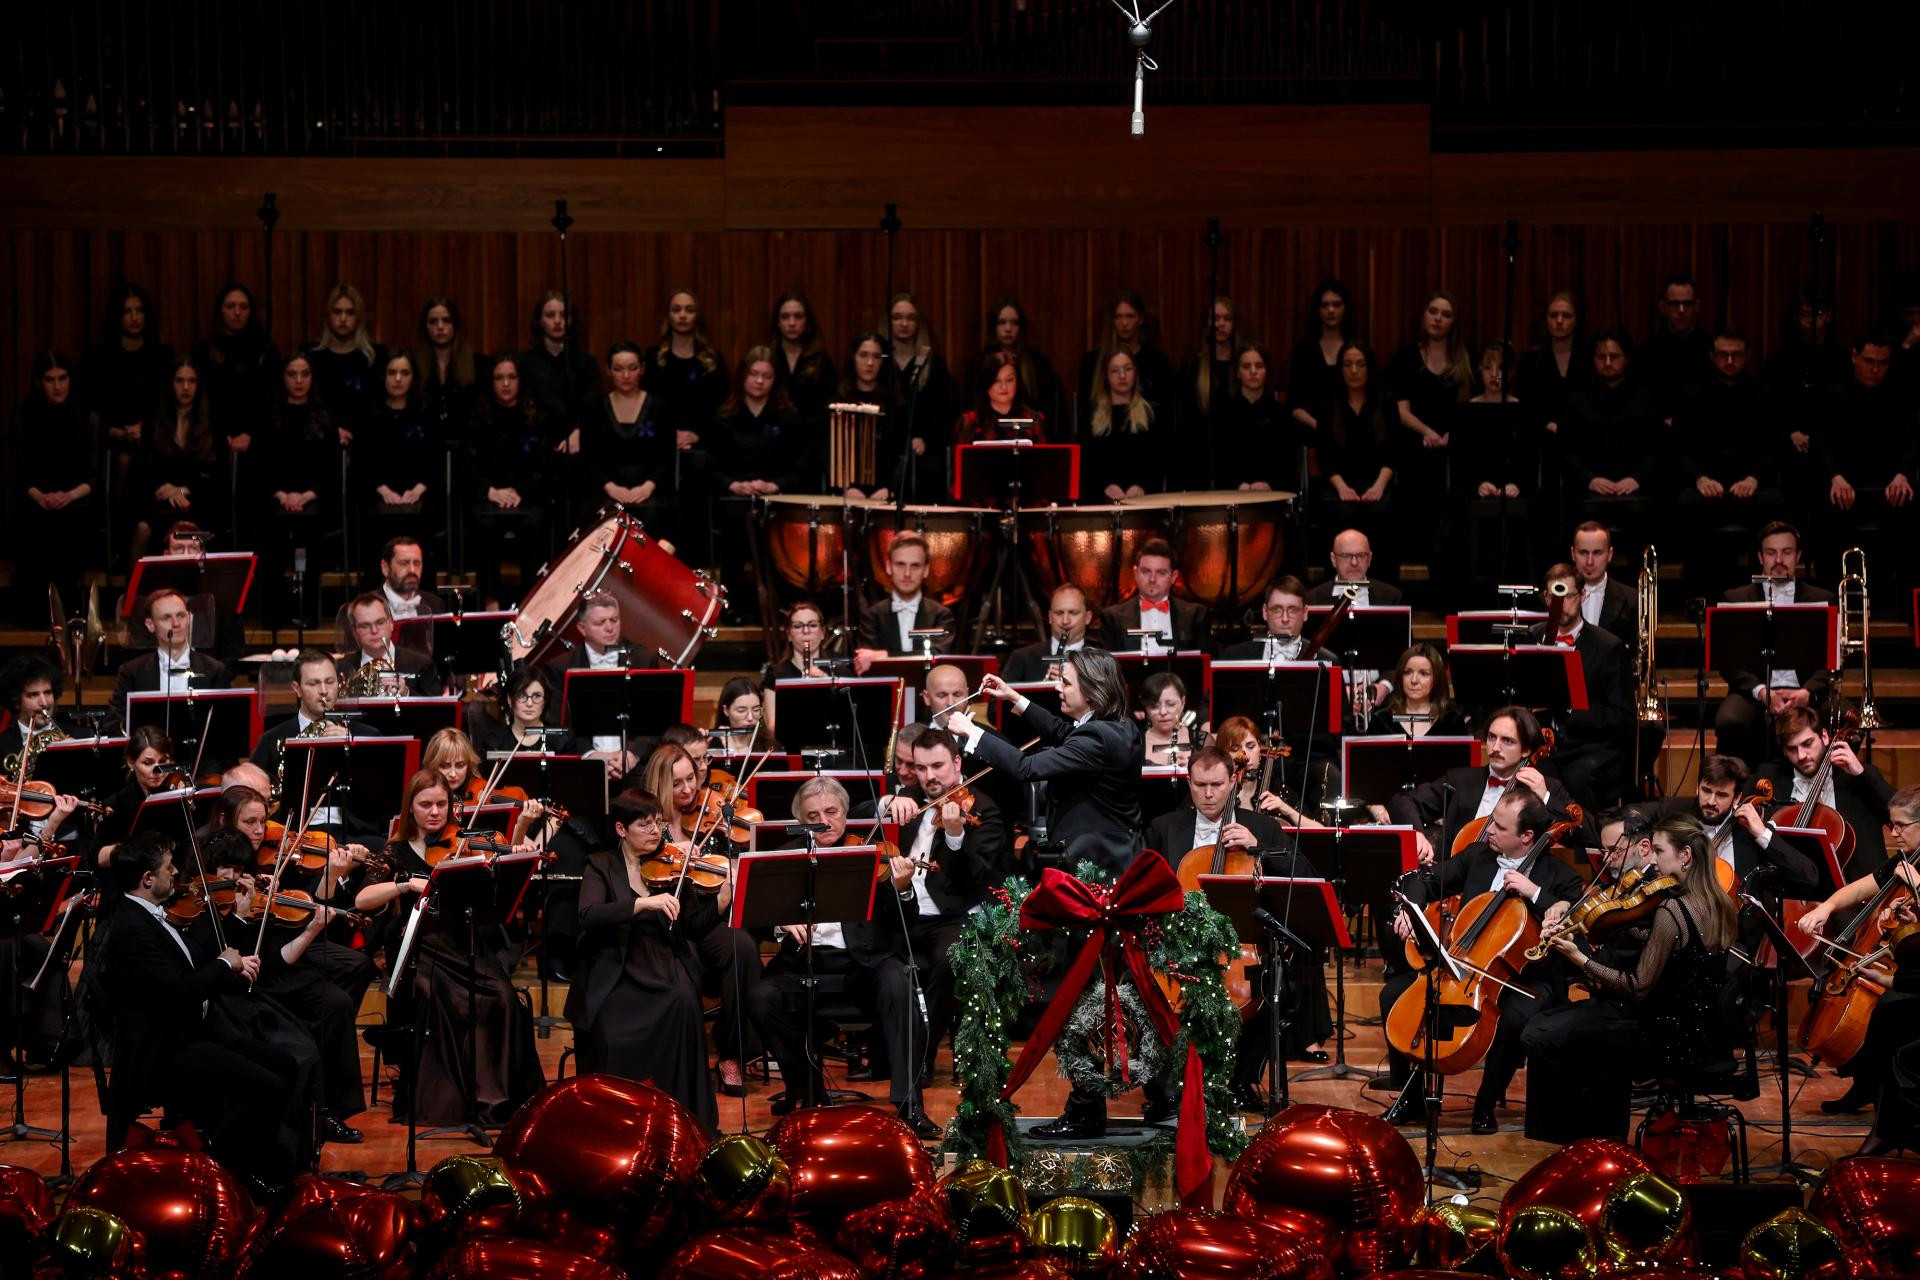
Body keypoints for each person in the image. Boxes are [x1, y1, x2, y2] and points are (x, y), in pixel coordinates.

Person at [91, 833, 299, 1192]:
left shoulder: (153, 915)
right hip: (164, 1049)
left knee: (285, 1064)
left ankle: (247, 1157)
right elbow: (177, 993)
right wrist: (224, 964)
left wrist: (233, 964)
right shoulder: (131, 928)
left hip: (193, 1031)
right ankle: (227, 1169)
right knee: (267, 1087)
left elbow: (194, 962)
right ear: (147, 879)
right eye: (169, 868)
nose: (177, 873)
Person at [1382, 788, 1581, 1134]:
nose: (1488, 830)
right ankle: (1412, 1098)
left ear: (1527, 836)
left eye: (1499, 827)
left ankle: (1485, 1103)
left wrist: (1533, 892)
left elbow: (1575, 918)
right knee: (1392, 996)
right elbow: (1425, 880)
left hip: (1525, 977)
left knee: (1514, 1020)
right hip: (1467, 965)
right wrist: (1410, 911)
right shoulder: (1479, 856)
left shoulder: (1560, 876)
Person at [353, 772, 545, 1126]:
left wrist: (517, 840)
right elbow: (363, 898)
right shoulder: (396, 850)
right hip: (421, 949)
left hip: (464, 942)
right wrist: (405, 885)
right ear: (410, 808)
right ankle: (450, 1102)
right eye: (425, 804)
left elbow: (501, 870)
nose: (434, 812)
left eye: (441, 804)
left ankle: (494, 1100)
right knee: (444, 1001)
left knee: (503, 999)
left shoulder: (464, 841)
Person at [1533, 815, 1739, 1141]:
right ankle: (1600, 1137)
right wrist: (1609, 922)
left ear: (1685, 856)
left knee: (1547, 1035)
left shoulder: (1672, 911)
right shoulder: (1719, 902)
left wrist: (1579, 958)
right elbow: (1673, 945)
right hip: (1706, 1035)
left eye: (1659, 851)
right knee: (1566, 1028)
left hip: (1666, 1040)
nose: (1653, 860)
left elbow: (1637, 986)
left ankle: (1578, 1141)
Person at [1147, 745, 1331, 1106]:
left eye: (1217, 785)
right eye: (1200, 785)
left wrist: (1258, 847)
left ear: (1233, 781)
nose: (1208, 794)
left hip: (1243, 942)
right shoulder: (1164, 827)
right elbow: (1148, 887)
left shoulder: (1261, 826)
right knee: (1148, 985)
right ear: (1189, 782)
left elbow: (1306, 875)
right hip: (1180, 944)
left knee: (1270, 985)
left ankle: (1242, 1080)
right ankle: (1168, 1087)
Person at [747, 777, 932, 1133]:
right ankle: (807, 1090)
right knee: (760, 997)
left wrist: (903, 888)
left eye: (831, 812)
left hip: (864, 965)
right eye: (813, 815)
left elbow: (904, 923)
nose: (824, 821)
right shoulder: (784, 858)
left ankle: (910, 1105)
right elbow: (752, 920)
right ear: (801, 821)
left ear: (846, 814)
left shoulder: (871, 854)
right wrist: (780, 922)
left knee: (898, 982)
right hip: (804, 964)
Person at [198, 828, 368, 1144]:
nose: (232, 877)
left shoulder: (252, 899)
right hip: (232, 998)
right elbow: (219, 960)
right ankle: (291, 1130)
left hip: (264, 980)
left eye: (238, 869)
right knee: (300, 1044)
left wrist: (310, 928)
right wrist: (239, 916)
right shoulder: (202, 908)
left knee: (332, 1007)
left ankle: (322, 1116)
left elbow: (272, 960)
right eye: (225, 868)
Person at [569, 788, 723, 1127]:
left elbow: (694, 927)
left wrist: (722, 898)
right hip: (616, 967)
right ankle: (616, 1122)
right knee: (610, 1031)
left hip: (664, 962)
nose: (655, 832)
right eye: (645, 825)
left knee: (683, 1001)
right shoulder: (601, 864)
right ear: (621, 829)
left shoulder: (673, 864)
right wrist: (641, 904)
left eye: (658, 823)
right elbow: (588, 915)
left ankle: (680, 1117)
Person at [876, 727, 1007, 1086]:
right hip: (904, 910)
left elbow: (973, 880)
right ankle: (886, 1053)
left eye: (937, 766)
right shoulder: (909, 797)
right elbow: (855, 812)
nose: (929, 777)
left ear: (957, 763)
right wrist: (885, 803)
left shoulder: (984, 809)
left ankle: (922, 1056)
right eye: (921, 768)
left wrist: (954, 836)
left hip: (952, 915)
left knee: (950, 960)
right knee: (874, 957)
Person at [1795, 783, 1920, 1141]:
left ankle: (1887, 1119)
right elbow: (1861, 888)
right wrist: (1826, 907)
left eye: (1901, 825)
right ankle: (1868, 1090)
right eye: (1891, 825)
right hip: (1906, 966)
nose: (1893, 834)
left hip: (1914, 974)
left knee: (1883, 1011)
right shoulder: (1905, 860)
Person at [948, 653, 1144, 876]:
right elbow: (1061, 731)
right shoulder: (1118, 726)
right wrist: (1013, 697)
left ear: (1091, 691)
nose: (1058, 688)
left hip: (1100, 858)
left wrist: (972, 731)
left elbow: (1026, 767)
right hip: (1114, 850)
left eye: (1066, 683)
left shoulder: (1096, 737)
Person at [1710, 522, 1835, 770]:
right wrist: (1762, 692)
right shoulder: (1735, 598)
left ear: (1798, 556)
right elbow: (1730, 662)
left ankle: (1831, 785)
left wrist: (1807, 692)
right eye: (1771, 553)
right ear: (1760, 557)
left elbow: (1832, 660)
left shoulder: (1823, 598)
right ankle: (1741, 786)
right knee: (1730, 720)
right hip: (1755, 691)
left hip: (1806, 689)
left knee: (1846, 717)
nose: (1778, 560)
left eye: (1786, 552)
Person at [1671, 328, 1785, 595]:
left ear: (1747, 355)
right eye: (1723, 355)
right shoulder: (1691, 395)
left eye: (1736, 355)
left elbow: (1775, 447)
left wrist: (1754, 478)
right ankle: (1700, 595)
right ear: (1712, 356)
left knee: (1775, 502)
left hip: (1751, 486)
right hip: (1707, 486)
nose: (1730, 361)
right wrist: (1700, 478)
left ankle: (1762, 593)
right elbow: (1679, 449)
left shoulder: (1764, 394)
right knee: (1686, 504)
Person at [1522, 562, 1632, 809]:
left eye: (1568, 596)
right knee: (1527, 775)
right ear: (1545, 597)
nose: (1560, 604)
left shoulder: (1608, 647)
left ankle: (1585, 832)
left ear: (1582, 595)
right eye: (1554, 597)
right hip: (1546, 747)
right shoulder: (1533, 636)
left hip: (1592, 748)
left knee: (1575, 778)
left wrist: (1567, 706)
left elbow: (1622, 719)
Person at [1631, 753, 1820, 897]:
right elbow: (1629, 816)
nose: (1711, 801)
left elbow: (1809, 878)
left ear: (1737, 798)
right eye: (1706, 790)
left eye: (1721, 795)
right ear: (1697, 787)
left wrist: (1762, 833)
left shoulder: (1750, 829)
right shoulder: (1674, 810)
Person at [1816, 333, 1916, 595]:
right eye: (1869, 361)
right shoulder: (1832, 392)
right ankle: (1832, 595)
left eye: (1882, 363)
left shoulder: (1900, 393)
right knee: (1824, 511)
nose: (1875, 369)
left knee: (1909, 511)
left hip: (1888, 486)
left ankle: (1898, 597)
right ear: (1854, 356)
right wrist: (1835, 476)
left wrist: (1902, 474)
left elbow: (1912, 441)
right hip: (1843, 484)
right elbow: (1821, 442)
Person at [1756, 707, 1893, 880]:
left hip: (1858, 886)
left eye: (1807, 744)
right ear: (1783, 751)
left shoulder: (1857, 778)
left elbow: (1901, 814)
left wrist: (1861, 773)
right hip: (1792, 886)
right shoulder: (1769, 778)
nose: (1801, 755)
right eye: (1792, 749)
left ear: (1825, 736)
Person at [13, 351, 98, 623]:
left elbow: (94, 476)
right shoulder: (24, 418)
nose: (58, 386)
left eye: (63, 378)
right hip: (37, 498)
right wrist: (40, 496)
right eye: (50, 380)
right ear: (39, 382)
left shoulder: (86, 418)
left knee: (70, 522)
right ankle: (35, 613)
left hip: (77, 498)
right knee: (36, 521)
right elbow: (19, 472)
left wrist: (68, 496)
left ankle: (69, 611)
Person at [469, 353, 560, 605]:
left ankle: (533, 601)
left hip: (527, 497)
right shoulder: (477, 418)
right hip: (489, 497)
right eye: (499, 378)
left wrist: (520, 492)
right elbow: (470, 466)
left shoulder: (537, 418)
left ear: (521, 380)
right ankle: (491, 601)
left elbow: (543, 468)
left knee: (535, 521)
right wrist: (490, 492)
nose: (506, 383)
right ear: (491, 382)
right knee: (483, 522)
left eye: (511, 377)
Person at [1561, 330, 1659, 538]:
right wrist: (1590, 479)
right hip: (1589, 486)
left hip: (1635, 487)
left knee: (1646, 512)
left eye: (1613, 357)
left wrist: (1636, 478)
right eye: (1601, 357)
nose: (1607, 362)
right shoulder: (1576, 402)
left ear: (1627, 359)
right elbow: (1565, 451)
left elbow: (1658, 450)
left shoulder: (1646, 401)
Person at [130, 355, 224, 561]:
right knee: (142, 527)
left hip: (200, 500)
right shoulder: (154, 421)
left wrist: (183, 490)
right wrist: (165, 490)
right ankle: (138, 582)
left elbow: (218, 476)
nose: (186, 387)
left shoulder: (213, 422)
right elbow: (142, 470)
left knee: (208, 525)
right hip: (161, 500)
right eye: (179, 380)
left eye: (192, 381)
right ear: (170, 384)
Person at [1315, 344, 1401, 566]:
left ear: (1369, 368)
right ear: (1340, 369)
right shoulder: (1328, 405)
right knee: (1340, 511)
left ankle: (1382, 582)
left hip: (1377, 481)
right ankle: (1339, 581)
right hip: (1339, 482)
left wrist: (1379, 486)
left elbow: (1393, 452)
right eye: (1348, 364)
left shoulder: (1386, 404)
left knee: (1381, 510)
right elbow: (1324, 454)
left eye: (1360, 364)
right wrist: (1341, 487)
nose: (1354, 371)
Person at [582, 341, 672, 535]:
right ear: (608, 370)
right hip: (607, 488)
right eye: (618, 369)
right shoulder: (594, 408)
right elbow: (588, 456)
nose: (626, 376)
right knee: (605, 517)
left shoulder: (660, 407)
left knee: (654, 516)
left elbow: (668, 455)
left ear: (642, 369)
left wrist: (648, 487)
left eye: (632, 368)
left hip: (650, 488)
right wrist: (610, 487)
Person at [105, 587, 231, 726]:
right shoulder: (131, 673)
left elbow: (226, 724)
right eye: (166, 618)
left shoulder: (216, 671)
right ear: (150, 625)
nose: (176, 624)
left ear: (189, 618)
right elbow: (113, 725)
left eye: (181, 616)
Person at [358, 350, 439, 548]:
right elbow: (362, 460)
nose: (397, 379)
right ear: (383, 376)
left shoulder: (426, 412)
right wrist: (383, 490)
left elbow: (435, 458)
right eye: (392, 372)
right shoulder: (370, 413)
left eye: (404, 373)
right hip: (378, 493)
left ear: (413, 377)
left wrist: (419, 489)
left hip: (420, 493)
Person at [855, 533, 957, 666]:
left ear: (926, 570)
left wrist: (886, 657)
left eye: (915, 566)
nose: (907, 573)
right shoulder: (871, 616)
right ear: (888, 567)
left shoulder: (942, 615)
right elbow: (867, 666)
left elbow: (938, 660)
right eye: (900, 564)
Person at [1215, 341, 1303, 493]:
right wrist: (1237, 485)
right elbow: (1218, 462)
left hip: (1273, 495)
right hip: (1232, 495)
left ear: (1267, 370)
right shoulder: (1223, 413)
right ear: (1237, 372)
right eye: (1246, 366)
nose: (1253, 371)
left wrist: (1270, 485)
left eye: (1259, 366)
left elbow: (1288, 464)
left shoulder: (1281, 413)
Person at [518, 291, 601, 450]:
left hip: (579, 441)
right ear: (540, 321)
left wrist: (578, 431)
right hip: (539, 443)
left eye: (563, 315)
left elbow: (591, 404)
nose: (557, 321)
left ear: (570, 320)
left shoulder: (586, 361)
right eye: (550, 315)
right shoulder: (526, 362)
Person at [1098, 539, 1211, 654]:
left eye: (1161, 573)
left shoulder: (1195, 616)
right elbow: (1106, 663)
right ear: (1135, 573)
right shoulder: (1112, 618)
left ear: (1173, 577)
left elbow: (1207, 660)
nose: (1152, 579)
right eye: (1146, 571)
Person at [1083, 348, 1168, 500]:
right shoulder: (1092, 415)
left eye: (1128, 369)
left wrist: (1142, 485)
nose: (1122, 376)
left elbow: (1160, 461)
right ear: (1106, 375)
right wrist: (1105, 486)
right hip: (1102, 499)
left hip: (1144, 499)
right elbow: (1085, 464)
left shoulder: (1151, 413)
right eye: (1115, 370)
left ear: (1135, 373)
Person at [1077, 289, 1175, 421]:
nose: (1124, 323)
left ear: (1140, 319)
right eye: (1118, 317)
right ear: (1112, 320)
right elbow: (1084, 410)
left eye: (1130, 316)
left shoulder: (1158, 363)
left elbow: (1167, 411)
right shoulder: (1092, 363)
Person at [648, 288, 729, 447]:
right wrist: (669, 434)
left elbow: (722, 407)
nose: (683, 315)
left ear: (697, 317)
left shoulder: (712, 359)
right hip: (661, 443)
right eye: (676, 310)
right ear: (668, 316)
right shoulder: (654, 357)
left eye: (689, 310)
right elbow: (647, 406)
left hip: (704, 443)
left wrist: (697, 435)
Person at [306, 284, 382, 441]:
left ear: (359, 318)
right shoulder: (311, 356)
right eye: (337, 312)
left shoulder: (376, 357)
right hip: (321, 441)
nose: (343, 319)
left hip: (366, 441)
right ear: (328, 316)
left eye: (350, 313)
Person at [337, 592, 443, 696]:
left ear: (391, 624)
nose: (374, 630)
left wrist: (406, 693)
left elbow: (437, 706)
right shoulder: (342, 668)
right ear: (354, 631)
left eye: (380, 622)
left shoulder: (421, 664)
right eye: (365, 626)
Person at [1635, 274, 1712, 413]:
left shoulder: (1712, 351)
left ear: (1697, 306)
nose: (1681, 310)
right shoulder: (1646, 353)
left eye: (1687, 304)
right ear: (1663, 307)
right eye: (1674, 304)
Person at [982, 296, 1061, 429]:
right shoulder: (980, 364)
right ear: (994, 326)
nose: (1008, 328)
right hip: (990, 430)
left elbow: (1046, 410)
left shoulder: (1037, 364)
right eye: (1002, 322)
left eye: (1014, 322)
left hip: (1029, 430)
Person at [1287, 279, 1354, 434]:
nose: (1330, 310)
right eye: (1324, 305)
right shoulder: (1304, 350)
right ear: (1317, 310)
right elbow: (1295, 405)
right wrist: (1323, 429)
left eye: (1336, 305)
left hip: (1350, 433)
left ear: (1345, 308)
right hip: (1311, 432)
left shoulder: (1356, 349)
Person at [1515, 292, 1588, 433]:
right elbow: (1523, 402)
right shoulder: (1530, 360)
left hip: (1581, 435)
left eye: (1566, 316)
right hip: (1539, 436)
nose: (1559, 321)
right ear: (1546, 320)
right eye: (1553, 315)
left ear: (1576, 321)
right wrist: (1546, 424)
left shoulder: (1589, 358)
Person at [761, 599, 834, 739]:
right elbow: (772, 729)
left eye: (813, 625)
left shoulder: (839, 671)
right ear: (789, 634)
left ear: (823, 632)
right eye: (798, 626)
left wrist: (828, 688)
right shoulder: (776, 676)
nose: (806, 631)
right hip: (793, 746)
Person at [1364, 642, 1468, 739]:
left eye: (1423, 673)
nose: (1414, 680)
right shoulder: (1381, 721)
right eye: (1407, 672)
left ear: (1436, 678)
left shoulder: (1452, 721)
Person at [412, 296, 479, 444]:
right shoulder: (413, 366)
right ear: (425, 327)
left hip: (465, 446)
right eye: (433, 322)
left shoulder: (477, 365)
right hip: (426, 446)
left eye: (446, 320)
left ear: (456, 325)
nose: (440, 327)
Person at [1222, 576, 1334, 664]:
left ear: (1305, 613)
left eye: (1292, 610)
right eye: (1277, 610)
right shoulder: (1234, 656)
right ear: (1265, 612)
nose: (1285, 619)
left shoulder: (1327, 661)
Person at [1178, 296, 1237, 463]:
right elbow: (1187, 420)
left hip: (1235, 450)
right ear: (1207, 324)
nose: (1221, 324)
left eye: (1227, 319)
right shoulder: (1192, 366)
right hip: (1201, 452)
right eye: (1215, 318)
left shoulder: (1242, 365)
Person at [1003, 584, 1096, 684]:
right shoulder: (1021, 658)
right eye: (1059, 613)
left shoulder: (1102, 661)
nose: (1065, 621)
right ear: (1050, 617)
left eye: (1073, 613)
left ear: (1088, 618)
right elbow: (1001, 693)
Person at [952, 350, 1049, 445]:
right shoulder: (969, 421)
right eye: (996, 381)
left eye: (1009, 380)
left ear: (1018, 382)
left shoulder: (1034, 419)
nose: (1003, 386)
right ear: (986, 383)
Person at [769, 290, 837, 424]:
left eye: (798, 316)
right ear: (778, 322)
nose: (792, 323)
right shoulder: (769, 359)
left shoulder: (822, 362)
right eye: (785, 316)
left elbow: (830, 407)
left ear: (807, 321)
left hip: (812, 432)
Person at [1567, 521, 1637, 638]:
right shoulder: (1554, 597)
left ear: (1610, 554)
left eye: (1597, 553)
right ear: (1573, 553)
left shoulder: (1632, 599)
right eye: (1583, 553)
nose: (1590, 561)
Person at [1305, 528, 1405, 606]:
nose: (1354, 562)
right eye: (1346, 556)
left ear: (1369, 559)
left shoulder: (1391, 597)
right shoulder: (1312, 599)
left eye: (1361, 555)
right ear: (1333, 559)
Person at [1140, 671, 1201, 767]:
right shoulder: (1135, 743)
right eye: (1154, 706)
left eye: (1170, 704)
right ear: (1146, 708)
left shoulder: (1201, 741)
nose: (1163, 712)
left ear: (1183, 702)